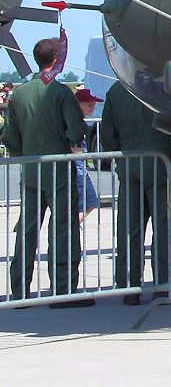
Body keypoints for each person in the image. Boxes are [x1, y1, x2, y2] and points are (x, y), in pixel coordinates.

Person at [2, 37, 93, 307]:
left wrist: (25, 154)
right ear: (56, 60)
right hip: (58, 168)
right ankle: (63, 290)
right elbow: (75, 130)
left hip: (31, 168)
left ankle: (19, 291)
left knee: (27, 230)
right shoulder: (60, 91)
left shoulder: (19, 92)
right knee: (62, 228)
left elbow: (10, 136)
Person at [99, 79, 171, 305]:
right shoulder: (161, 87)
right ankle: (166, 284)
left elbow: (107, 134)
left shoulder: (116, 91)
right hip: (160, 165)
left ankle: (129, 286)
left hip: (129, 165)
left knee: (130, 230)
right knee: (166, 229)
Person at [74, 87, 102, 222]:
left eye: (94, 105)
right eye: (89, 104)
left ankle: (71, 227)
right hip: (77, 172)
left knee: (89, 203)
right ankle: (72, 227)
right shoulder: (75, 123)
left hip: (80, 170)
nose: (92, 108)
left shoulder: (80, 122)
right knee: (89, 202)